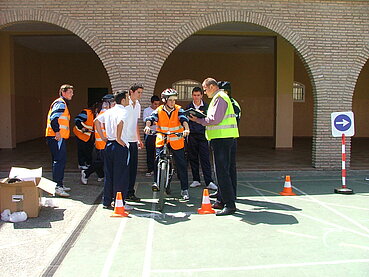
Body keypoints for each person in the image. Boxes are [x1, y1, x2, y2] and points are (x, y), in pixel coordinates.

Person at [189, 78, 239, 216]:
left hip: (222, 139)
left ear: (212, 86)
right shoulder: (220, 98)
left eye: (205, 89)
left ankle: (229, 204)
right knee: (223, 171)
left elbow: (214, 120)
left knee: (222, 172)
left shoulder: (220, 98)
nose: (204, 92)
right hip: (222, 138)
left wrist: (198, 119)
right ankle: (222, 200)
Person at [144, 88, 191, 200]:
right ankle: (156, 182)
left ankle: (184, 189)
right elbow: (151, 118)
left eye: (174, 100)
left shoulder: (179, 109)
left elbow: (184, 119)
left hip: (176, 139)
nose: (172, 102)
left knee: (181, 164)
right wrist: (147, 126)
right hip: (162, 138)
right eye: (170, 100)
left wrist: (186, 129)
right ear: (165, 100)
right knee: (157, 159)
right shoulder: (159, 110)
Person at [94, 90, 133, 210]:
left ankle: (106, 201)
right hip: (119, 146)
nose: (129, 100)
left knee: (109, 174)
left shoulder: (109, 111)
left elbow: (96, 121)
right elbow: (120, 123)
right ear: (122, 100)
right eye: (127, 98)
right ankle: (120, 202)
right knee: (121, 175)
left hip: (109, 145)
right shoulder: (124, 111)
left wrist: (103, 137)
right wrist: (119, 138)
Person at [45, 84, 74, 197]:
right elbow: (54, 118)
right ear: (63, 92)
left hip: (56, 136)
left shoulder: (61, 103)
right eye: (70, 92)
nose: (72, 94)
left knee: (58, 160)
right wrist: (57, 132)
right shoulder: (60, 103)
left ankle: (58, 184)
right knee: (59, 160)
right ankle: (58, 186)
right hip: (56, 136)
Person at [186, 87, 217, 190]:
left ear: (201, 96)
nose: (196, 97)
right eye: (194, 95)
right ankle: (196, 180)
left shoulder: (207, 107)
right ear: (192, 95)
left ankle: (209, 181)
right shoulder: (188, 107)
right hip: (192, 135)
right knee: (193, 158)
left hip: (203, 135)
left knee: (205, 159)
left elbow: (210, 119)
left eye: (198, 95)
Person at [81, 94, 115, 185]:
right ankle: (86, 173)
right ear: (108, 103)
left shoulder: (104, 112)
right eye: (112, 102)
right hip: (103, 141)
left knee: (101, 160)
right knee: (101, 161)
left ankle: (101, 175)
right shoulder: (105, 113)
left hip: (103, 141)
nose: (114, 104)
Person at [125, 83, 145, 202]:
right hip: (124, 140)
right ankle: (122, 193)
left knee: (133, 168)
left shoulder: (137, 105)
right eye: (138, 92)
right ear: (131, 92)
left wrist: (138, 139)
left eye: (141, 93)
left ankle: (130, 192)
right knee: (125, 168)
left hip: (133, 141)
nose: (140, 95)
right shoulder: (124, 104)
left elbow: (136, 123)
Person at [142, 95, 161, 177]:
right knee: (149, 152)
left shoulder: (160, 110)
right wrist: (154, 122)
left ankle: (158, 170)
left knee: (158, 153)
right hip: (149, 134)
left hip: (159, 134)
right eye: (155, 104)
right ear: (151, 103)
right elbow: (145, 121)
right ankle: (150, 169)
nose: (157, 106)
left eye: (158, 104)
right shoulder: (147, 110)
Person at [73, 105, 95, 170]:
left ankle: (88, 163)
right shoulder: (87, 113)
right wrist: (82, 128)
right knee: (82, 149)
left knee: (88, 149)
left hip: (88, 135)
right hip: (80, 134)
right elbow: (77, 120)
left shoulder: (96, 114)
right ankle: (81, 164)